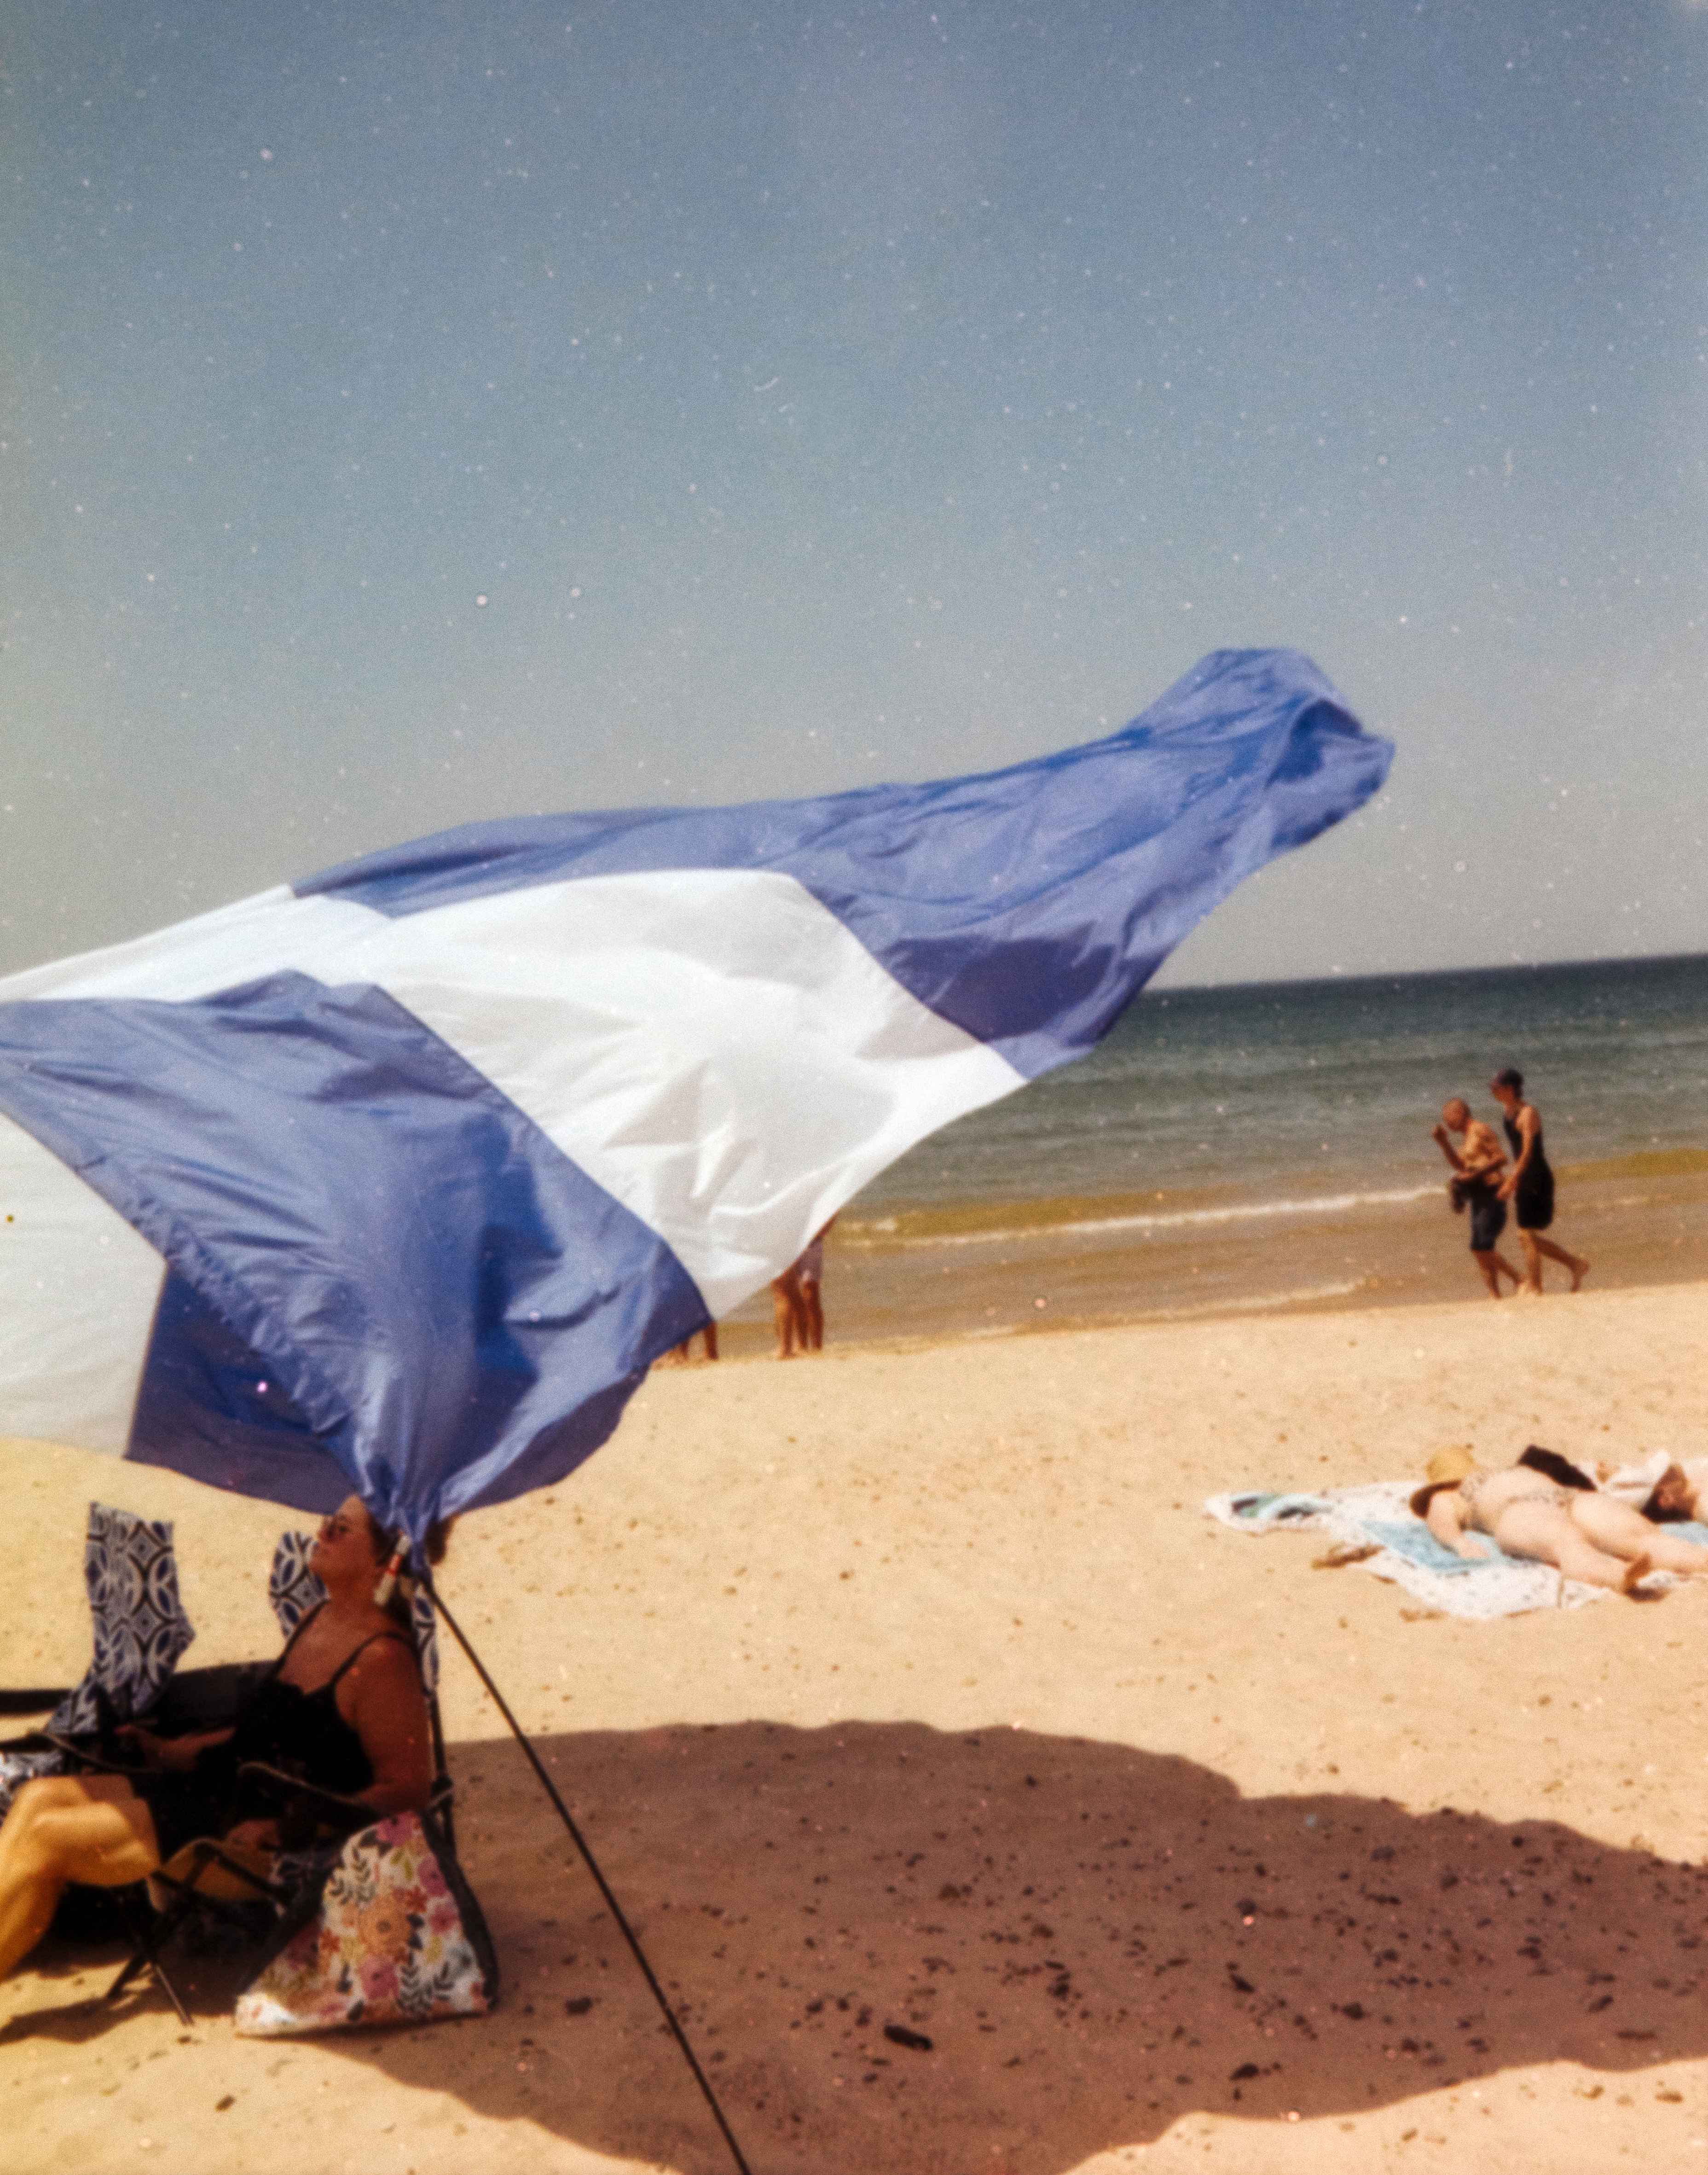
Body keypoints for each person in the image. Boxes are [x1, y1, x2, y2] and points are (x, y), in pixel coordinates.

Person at [0, 1497, 443, 1984]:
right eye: (325, 1520)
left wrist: (286, 1828)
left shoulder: (383, 1660)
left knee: (49, 1840)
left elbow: (407, 1790)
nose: (322, 1533)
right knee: (39, 1797)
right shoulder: (318, 1618)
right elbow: (261, 1733)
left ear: (385, 1561)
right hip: (217, 1789)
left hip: (249, 1829)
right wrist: (168, 1752)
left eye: (340, 1529)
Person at [1411, 1445, 1708, 1593]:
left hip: (1566, 1497)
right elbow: (1439, 1518)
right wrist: (1458, 1542)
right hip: (1517, 1509)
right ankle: (1614, 1576)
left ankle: (1700, 1559)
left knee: (1642, 1536)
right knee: (1566, 1543)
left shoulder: (1499, 1473)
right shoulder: (1453, 1495)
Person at [1490, 1066, 1590, 1294]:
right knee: (1527, 1236)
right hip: (1525, 1177)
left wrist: (1512, 1180)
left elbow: (1527, 1153)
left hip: (1536, 1178)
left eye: (1496, 1088)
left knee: (1526, 1235)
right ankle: (1575, 1265)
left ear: (1510, 1088)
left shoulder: (1528, 1114)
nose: (1493, 1092)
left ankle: (1537, 1286)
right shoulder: (1508, 1112)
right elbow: (1515, 1152)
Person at [1430, 1098, 1522, 1299]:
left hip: (1492, 1192)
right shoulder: (1467, 1138)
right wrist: (1443, 1142)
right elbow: (1460, 1165)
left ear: (1460, 1113)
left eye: (1448, 1118)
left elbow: (1501, 1158)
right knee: (1480, 1248)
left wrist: (1476, 1174)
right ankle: (1495, 1295)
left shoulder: (1480, 1130)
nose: (1447, 1123)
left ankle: (1518, 1280)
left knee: (1481, 1247)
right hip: (1479, 1195)